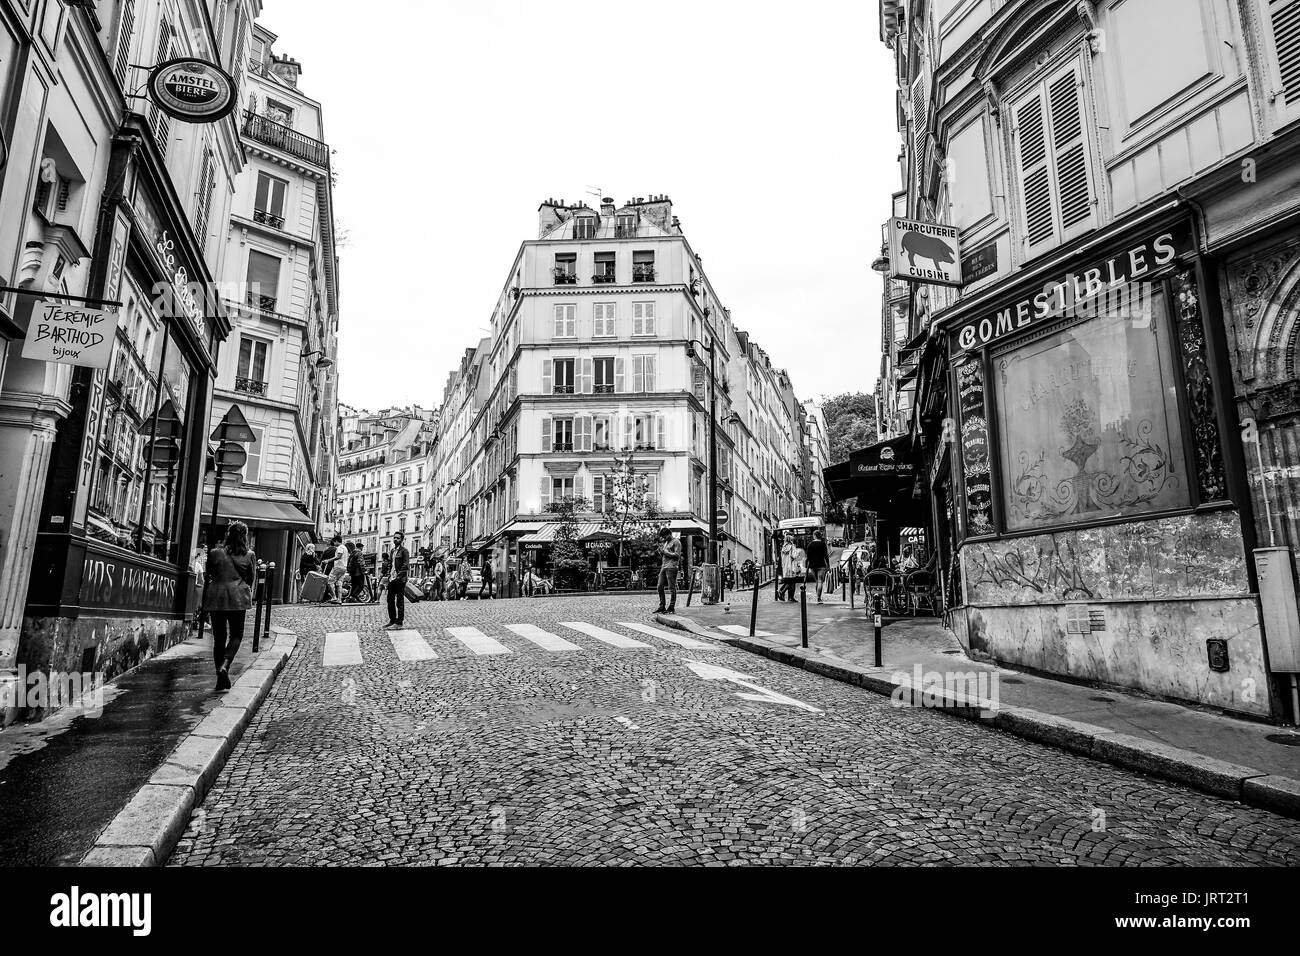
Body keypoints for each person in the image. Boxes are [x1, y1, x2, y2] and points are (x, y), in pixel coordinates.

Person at [202, 520, 256, 692]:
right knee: (236, 635)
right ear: (244, 537)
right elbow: (251, 578)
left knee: (218, 637)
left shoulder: (215, 553)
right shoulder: (249, 555)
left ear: (228, 534)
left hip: (216, 596)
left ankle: (220, 679)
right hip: (238, 598)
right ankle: (225, 665)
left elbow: (208, 573)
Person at [385, 530, 410, 628]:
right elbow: (391, 565)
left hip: (400, 579)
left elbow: (406, 565)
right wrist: (389, 575)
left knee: (399, 600)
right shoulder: (392, 551)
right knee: (389, 600)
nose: (395, 539)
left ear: (402, 540)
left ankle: (399, 622)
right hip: (392, 578)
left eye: (398, 538)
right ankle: (392, 620)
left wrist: (398, 576)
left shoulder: (404, 551)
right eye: (394, 538)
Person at [653, 527, 681, 614]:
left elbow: (677, 555)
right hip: (664, 566)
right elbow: (665, 556)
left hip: (672, 567)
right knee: (659, 586)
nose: (664, 539)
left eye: (665, 537)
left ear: (669, 534)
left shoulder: (676, 542)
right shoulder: (666, 543)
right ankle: (662, 606)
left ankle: (671, 607)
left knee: (671, 587)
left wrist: (664, 552)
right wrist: (661, 552)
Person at [806, 530, 830, 604]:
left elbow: (808, 556)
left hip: (812, 566)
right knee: (820, 581)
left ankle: (818, 596)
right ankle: (818, 598)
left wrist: (806, 564)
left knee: (817, 581)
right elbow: (826, 556)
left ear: (814, 535)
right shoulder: (823, 544)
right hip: (821, 565)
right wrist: (828, 565)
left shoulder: (810, 544)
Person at [780, 536, 807, 602]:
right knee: (792, 581)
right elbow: (794, 556)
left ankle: (788, 595)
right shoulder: (792, 546)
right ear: (791, 540)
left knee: (789, 581)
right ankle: (784, 593)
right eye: (792, 539)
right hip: (792, 566)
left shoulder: (783, 547)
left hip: (786, 567)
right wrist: (798, 553)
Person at [325, 535, 347, 604]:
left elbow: (338, 556)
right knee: (339, 583)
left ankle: (334, 597)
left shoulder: (340, 547)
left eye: (334, 542)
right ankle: (339, 599)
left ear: (337, 541)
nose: (334, 544)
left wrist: (328, 560)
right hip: (344, 567)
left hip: (338, 566)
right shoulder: (345, 548)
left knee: (329, 581)